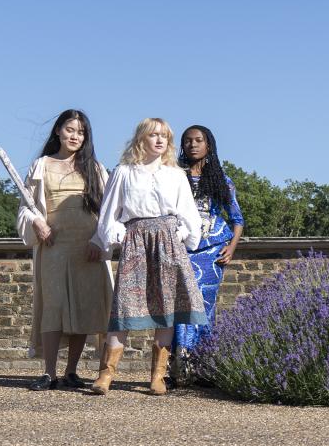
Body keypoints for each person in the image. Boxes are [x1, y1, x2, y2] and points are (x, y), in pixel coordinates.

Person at [88, 118, 207, 395]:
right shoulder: (124, 172)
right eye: (153, 135)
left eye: (164, 136)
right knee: (124, 308)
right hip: (135, 240)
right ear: (141, 138)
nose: (159, 140)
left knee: (166, 310)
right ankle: (106, 374)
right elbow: (109, 213)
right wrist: (120, 236)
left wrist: (178, 235)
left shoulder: (175, 174)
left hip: (167, 243)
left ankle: (157, 377)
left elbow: (188, 212)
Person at [15, 110, 114, 390]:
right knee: (54, 305)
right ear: (58, 130)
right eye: (70, 129)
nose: (75, 136)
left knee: (82, 305)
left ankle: (71, 371)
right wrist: (37, 222)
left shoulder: (95, 168)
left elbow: (107, 211)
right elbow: (27, 206)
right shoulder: (41, 165)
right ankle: (49, 372)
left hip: (88, 248)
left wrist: (99, 240)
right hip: (54, 245)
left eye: (81, 132)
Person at [173, 125, 244, 378]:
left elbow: (237, 219)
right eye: (188, 141)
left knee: (205, 306)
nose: (193, 145)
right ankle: (180, 367)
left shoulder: (222, 181)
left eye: (198, 140)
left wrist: (232, 247)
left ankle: (203, 369)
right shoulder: (174, 177)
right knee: (181, 305)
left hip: (212, 251)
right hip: (180, 249)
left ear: (208, 145)